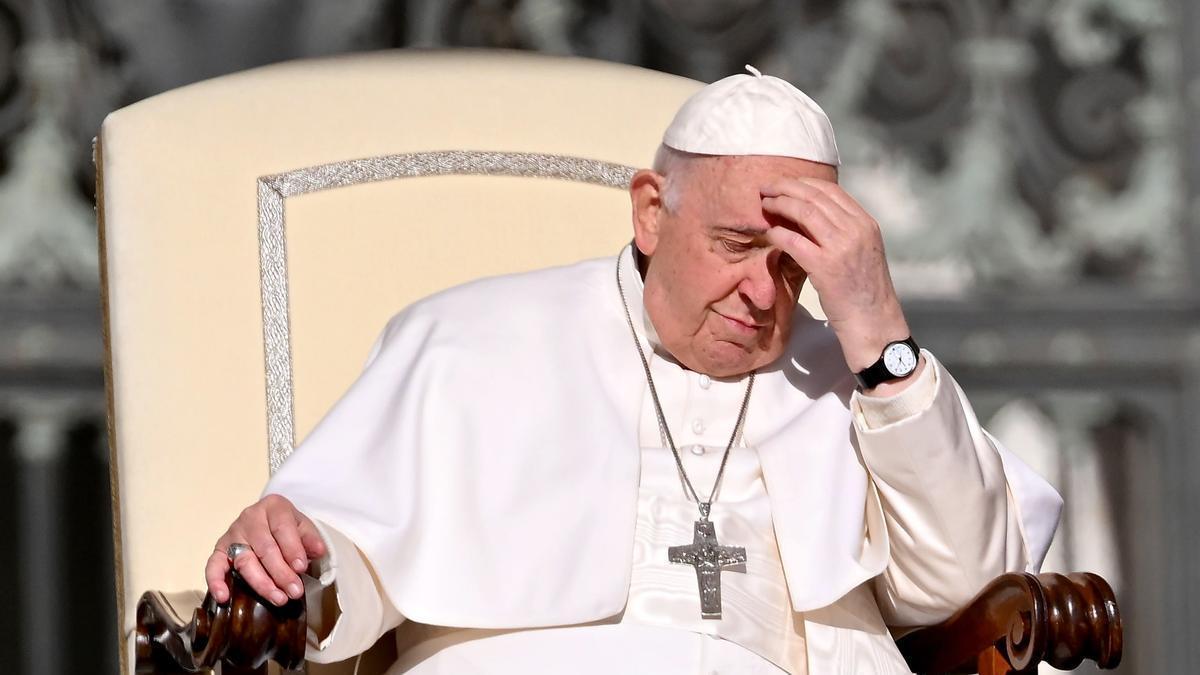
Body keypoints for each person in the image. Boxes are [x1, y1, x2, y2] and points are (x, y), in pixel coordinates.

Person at [203, 67, 1062, 673]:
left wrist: (877, 332)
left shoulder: (857, 376)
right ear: (652, 211)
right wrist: (296, 548)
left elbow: (970, 588)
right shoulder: (468, 338)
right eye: (735, 246)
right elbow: (345, 556)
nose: (763, 294)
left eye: (796, 266)